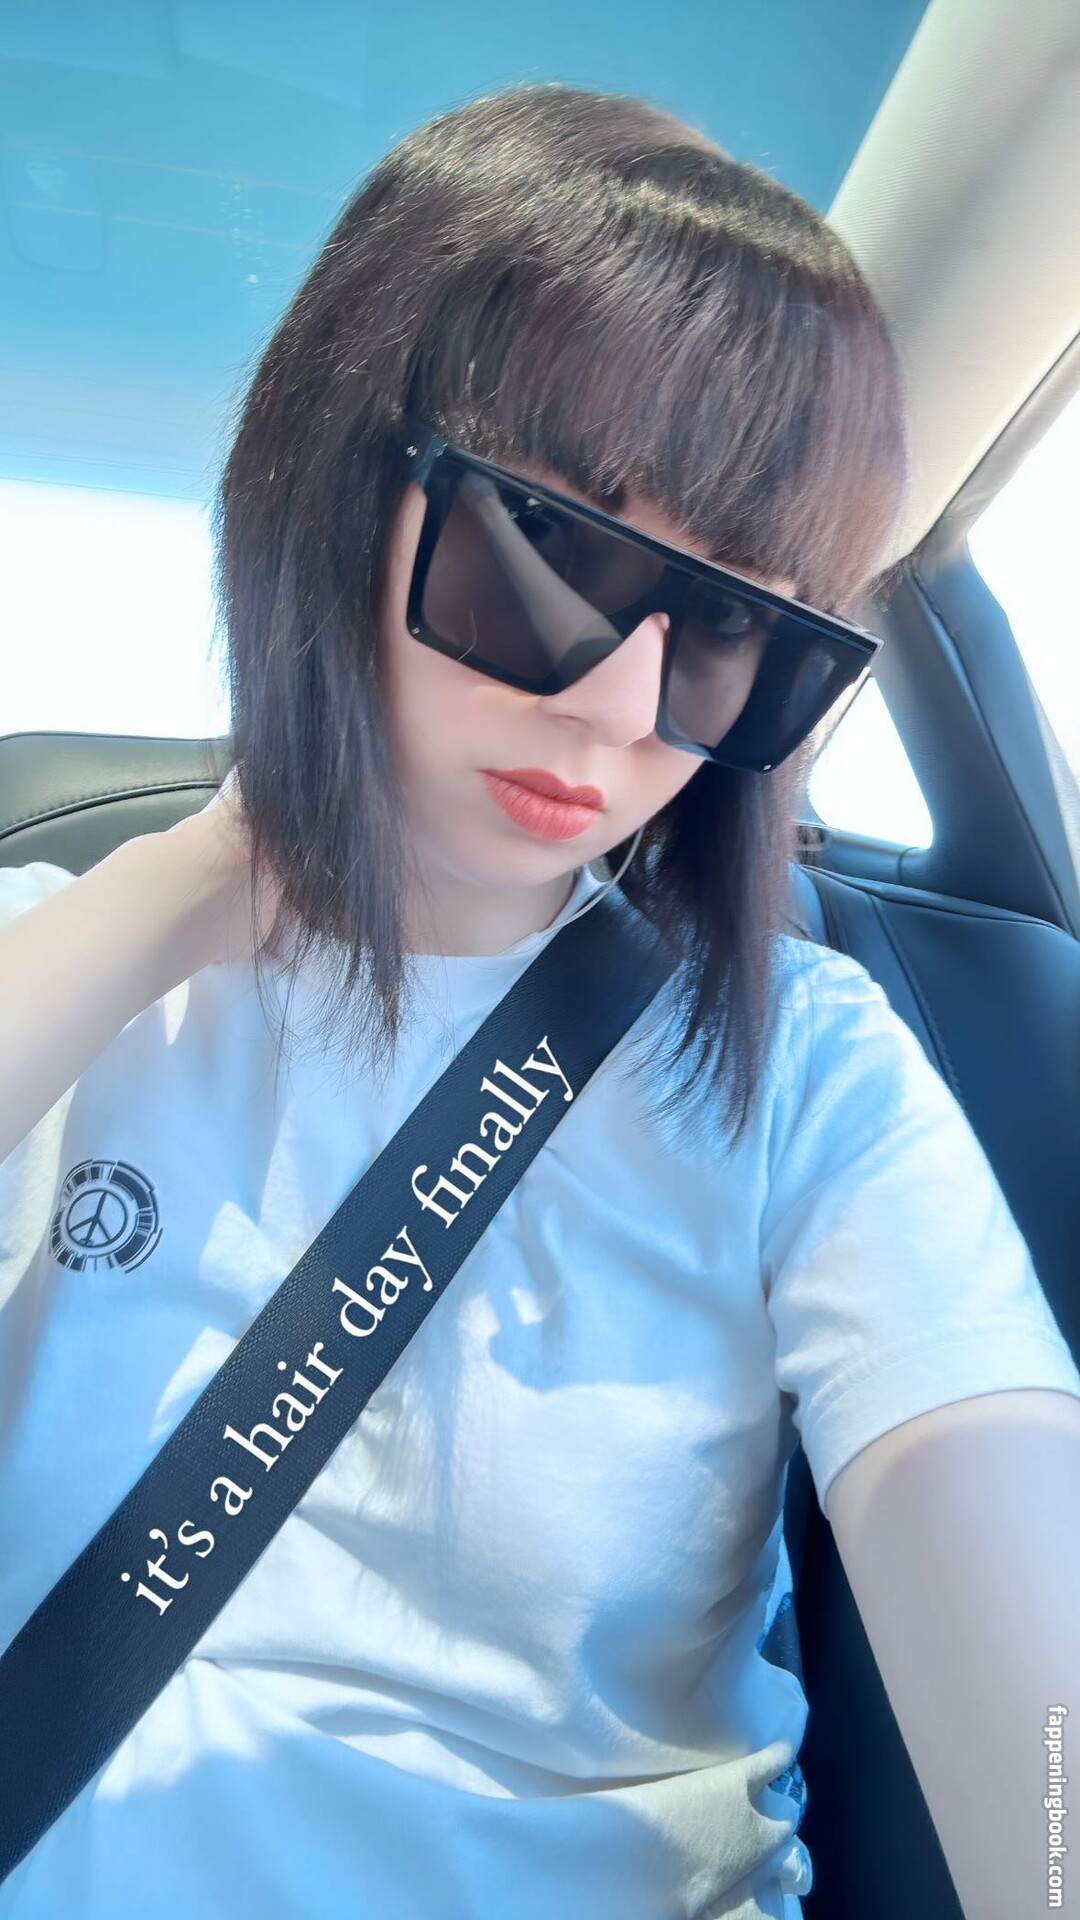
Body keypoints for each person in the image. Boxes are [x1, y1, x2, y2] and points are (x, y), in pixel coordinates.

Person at [0, 80, 1078, 1920]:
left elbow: (1039, 1719)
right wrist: (197, 878)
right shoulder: (64, 961)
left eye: (731, 631)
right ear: (342, 488)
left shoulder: (809, 1076)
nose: (621, 708)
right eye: (554, 558)